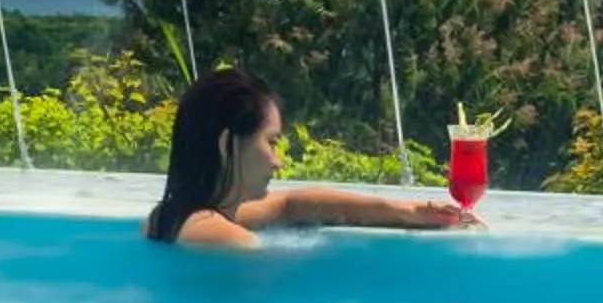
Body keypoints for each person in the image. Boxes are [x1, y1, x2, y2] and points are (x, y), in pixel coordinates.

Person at [143, 68, 478, 248]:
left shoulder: (173, 215)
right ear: (226, 143)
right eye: (271, 142)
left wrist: (406, 212)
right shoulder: (220, 237)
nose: (278, 161)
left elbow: (292, 204)